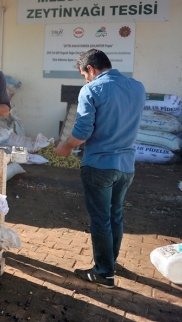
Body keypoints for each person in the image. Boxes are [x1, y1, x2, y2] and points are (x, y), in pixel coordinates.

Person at [55, 49, 146, 289]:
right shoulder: (137, 87)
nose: (85, 79)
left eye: (84, 75)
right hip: (126, 165)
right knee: (115, 214)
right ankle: (110, 262)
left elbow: (82, 132)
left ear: (91, 69)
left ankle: (104, 272)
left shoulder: (92, 89)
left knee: (100, 219)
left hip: (99, 166)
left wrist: (66, 146)